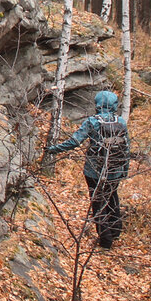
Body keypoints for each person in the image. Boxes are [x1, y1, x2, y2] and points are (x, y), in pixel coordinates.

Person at [45, 90, 130, 248]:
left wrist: (53, 149)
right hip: (115, 170)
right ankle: (116, 231)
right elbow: (126, 148)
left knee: (98, 203)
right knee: (112, 198)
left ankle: (106, 241)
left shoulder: (92, 122)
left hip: (94, 171)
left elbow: (74, 142)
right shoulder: (121, 122)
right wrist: (124, 169)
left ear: (97, 104)